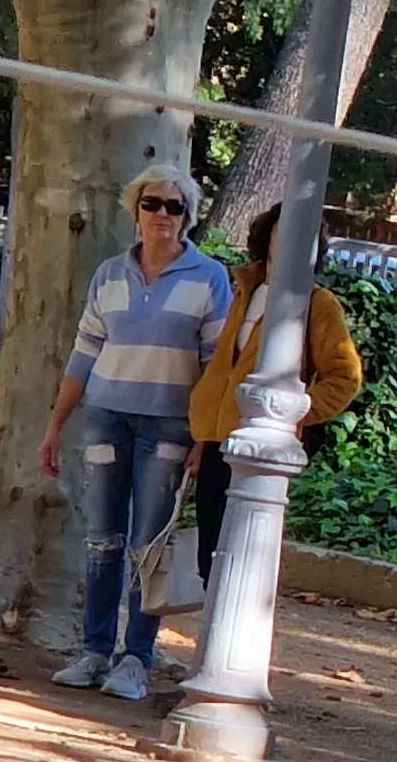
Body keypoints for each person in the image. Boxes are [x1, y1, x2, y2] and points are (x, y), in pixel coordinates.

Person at [39, 167, 231, 701]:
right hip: (107, 417)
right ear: (135, 210)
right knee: (102, 538)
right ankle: (94, 650)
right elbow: (84, 354)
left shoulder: (209, 277)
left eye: (175, 206)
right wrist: (54, 426)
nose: (163, 215)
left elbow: (218, 367)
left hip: (170, 425)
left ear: (188, 215)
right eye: (153, 204)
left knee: (149, 545)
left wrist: (205, 439)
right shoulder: (109, 275)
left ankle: (136, 658)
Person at [186, 199, 367, 591]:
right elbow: (223, 367)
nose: (289, 240)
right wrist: (203, 438)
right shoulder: (245, 290)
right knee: (210, 560)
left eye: (303, 234)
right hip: (218, 442)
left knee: (241, 561)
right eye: (283, 229)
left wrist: (290, 414)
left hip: (262, 449)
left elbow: (345, 377)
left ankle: (230, 650)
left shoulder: (319, 304)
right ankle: (211, 649)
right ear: (267, 234)